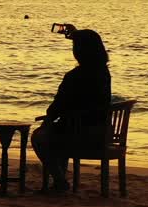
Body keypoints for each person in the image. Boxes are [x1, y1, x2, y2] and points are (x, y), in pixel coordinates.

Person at [31, 28, 111, 194]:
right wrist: (75, 33)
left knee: (40, 137)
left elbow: (57, 106)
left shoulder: (74, 76)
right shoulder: (103, 73)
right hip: (102, 132)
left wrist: (48, 118)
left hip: (81, 133)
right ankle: (60, 180)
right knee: (59, 130)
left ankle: (60, 181)